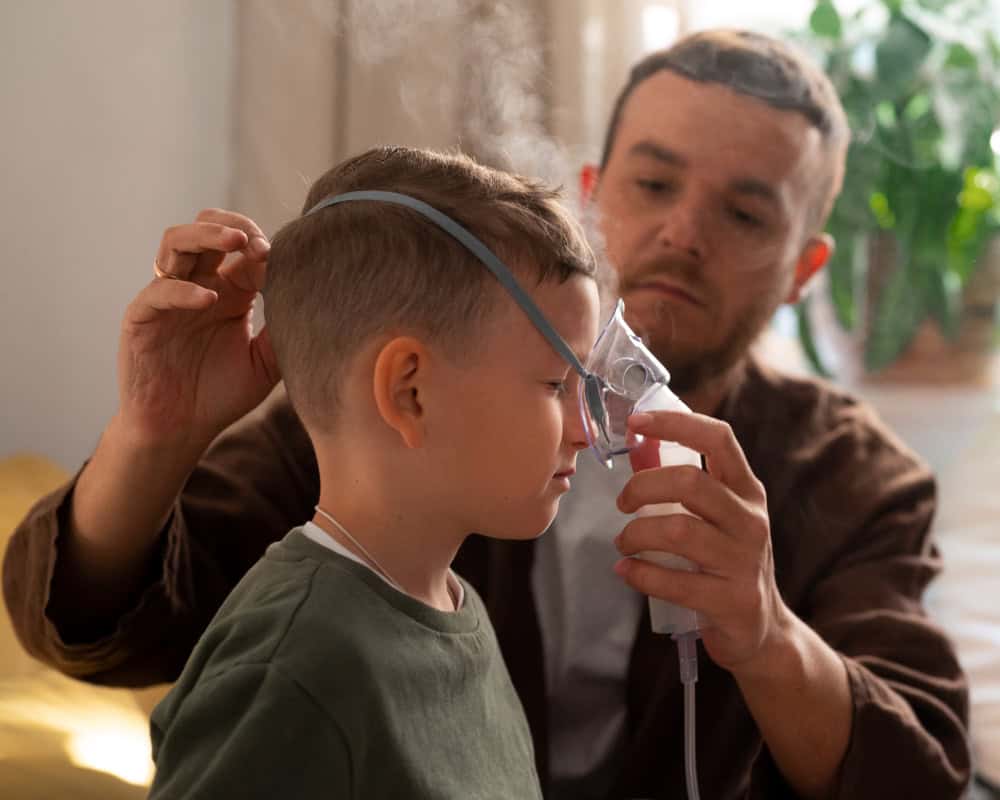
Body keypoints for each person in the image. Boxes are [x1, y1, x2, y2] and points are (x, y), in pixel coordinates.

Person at [3, 29, 970, 800]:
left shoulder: (856, 483)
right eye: (655, 184)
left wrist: (762, 632)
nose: (683, 233)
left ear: (808, 266)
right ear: (594, 198)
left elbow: (919, 771)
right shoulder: (401, 411)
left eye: (747, 216)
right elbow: (97, 634)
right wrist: (156, 434)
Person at [146, 145, 600, 797]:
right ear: (410, 391)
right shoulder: (292, 669)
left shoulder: (454, 613)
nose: (586, 431)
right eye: (557, 384)